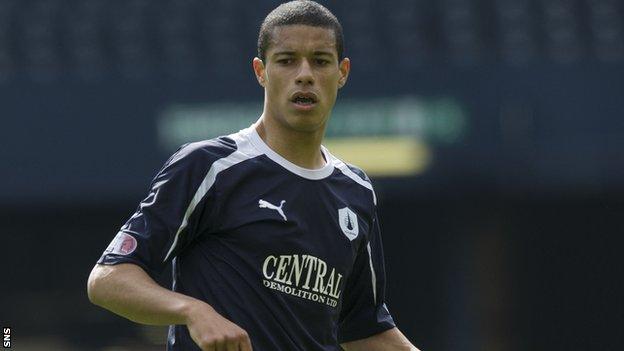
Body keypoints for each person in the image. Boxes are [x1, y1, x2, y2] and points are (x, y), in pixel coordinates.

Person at [87, 1, 420, 350]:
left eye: (320, 61)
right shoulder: (209, 167)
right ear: (261, 71)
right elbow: (109, 278)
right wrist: (192, 311)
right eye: (287, 60)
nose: (304, 74)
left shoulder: (356, 191)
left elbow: (366, 329)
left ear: (342, 72)